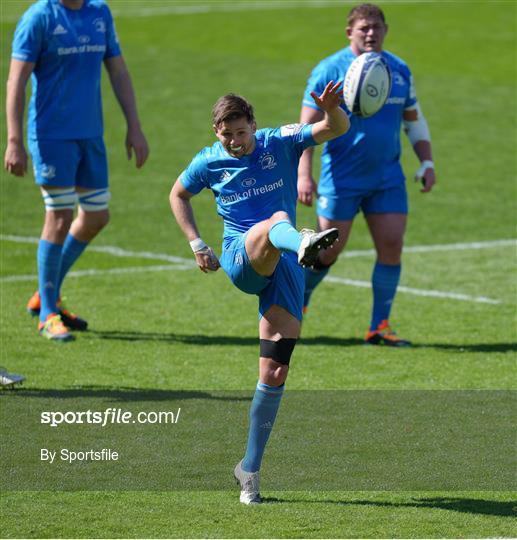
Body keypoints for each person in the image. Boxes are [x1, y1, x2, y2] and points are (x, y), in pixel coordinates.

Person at [169, 85, 349, 504]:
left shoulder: (278, 141)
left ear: (253, 124)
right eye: (225, 134)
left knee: (274, 373)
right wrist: (197, 243)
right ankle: (301, 239)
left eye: (240, 132)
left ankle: (248, 470)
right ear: (216, 132)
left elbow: (334, 129)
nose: (234, 141)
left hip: (285, 268)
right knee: (277, 219)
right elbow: (178, 194)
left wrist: (333, 109)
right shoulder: (207, 162)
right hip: (241, 257)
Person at [4, 0, 149, 341]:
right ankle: (48, 314)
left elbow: (118, 70)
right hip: (52, 135)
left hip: (90, 134)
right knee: (59, 217)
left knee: (97, 216)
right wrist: (14, 140)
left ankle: (46, 294)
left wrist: (134, 126)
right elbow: (16, 80)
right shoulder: (39, 17)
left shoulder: (99, 12)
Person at [298, 3, 436, 346]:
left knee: (392, 245)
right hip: (341, 178)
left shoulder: (399, 71)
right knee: (328, 250)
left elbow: (413, 120)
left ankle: (379, 327)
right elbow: (305, 128)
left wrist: (427, 161)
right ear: (350, 33)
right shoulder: (329, 70)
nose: (371, 32)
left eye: (376, 27)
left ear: (386, 30)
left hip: (387, 177)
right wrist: (304, 174)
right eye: (363, 28)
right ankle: (296, 302)